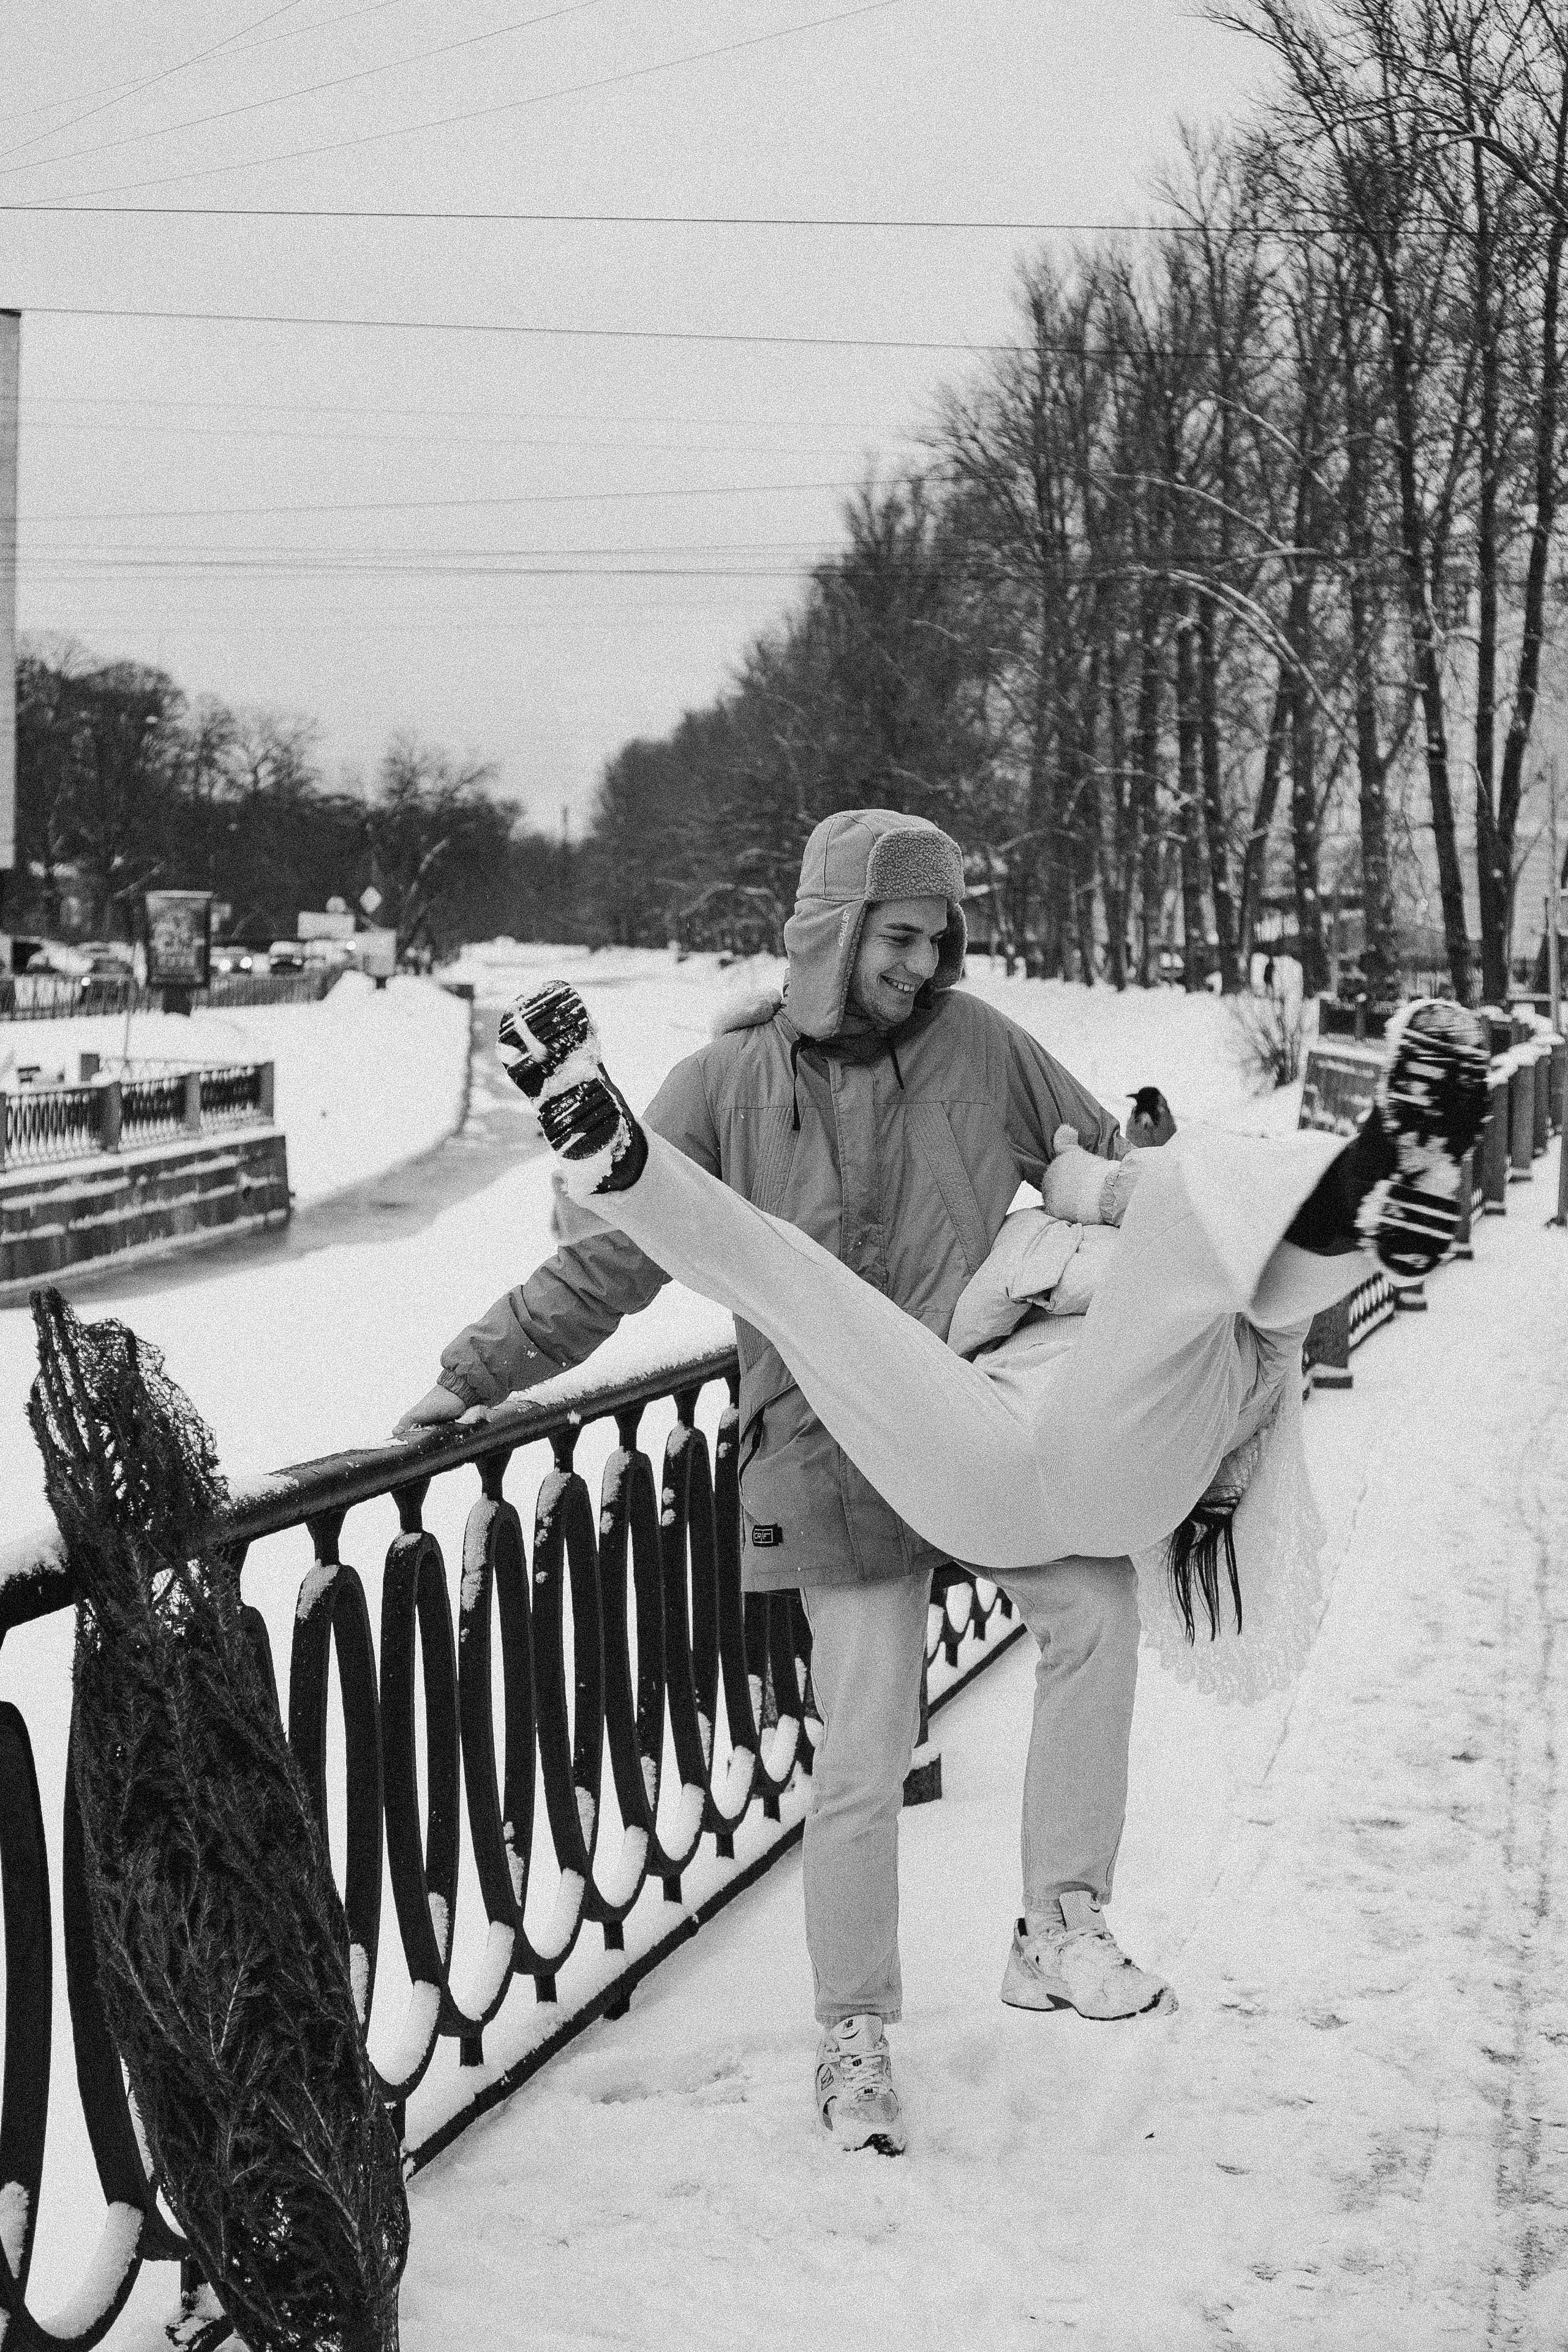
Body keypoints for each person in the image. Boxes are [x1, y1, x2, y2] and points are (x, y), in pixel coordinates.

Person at [396, 810, 1165, 2160]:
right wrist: (470, 1376)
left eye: (938, 940)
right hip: (819, 1453)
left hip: (968, 1426)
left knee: (1093, 1609)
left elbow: (1102, 1164)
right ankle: (854, 2035)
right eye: (899, 937)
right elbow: (608, 1270)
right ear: (830, 929)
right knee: (859, 1756)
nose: (922, 966)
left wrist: (1157, 1171)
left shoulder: (980, 1046)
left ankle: (1058, 1923)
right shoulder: (724, 1083)